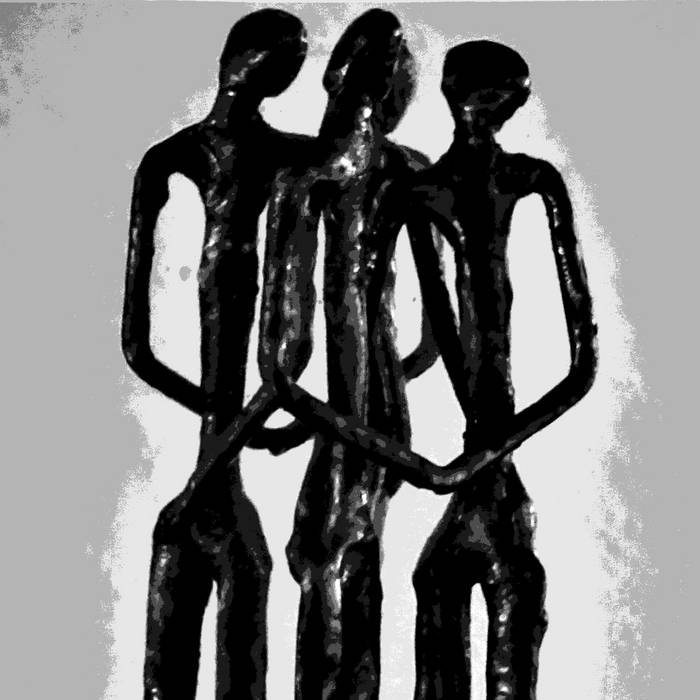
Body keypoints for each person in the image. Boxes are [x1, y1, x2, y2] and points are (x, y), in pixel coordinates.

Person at [272, 40, 598, 699]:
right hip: (440, 461)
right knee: (409, 581)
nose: (489, 110)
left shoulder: (525, 181)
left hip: (472, 467)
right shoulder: (410, 192)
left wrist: (472, 461)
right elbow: (417, 330)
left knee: (480, 585)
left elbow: (579, 365)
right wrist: (431, 460)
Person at [121, 9, 311, 698]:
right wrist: (238, 423)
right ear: (237, 58)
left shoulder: (295, 160)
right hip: (220, 462)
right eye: (274, 54)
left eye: (291, 59)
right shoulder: (171, 160)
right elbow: (137, 347)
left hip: (225, 462)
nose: (281, 67)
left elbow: (294, 341)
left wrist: (263, 415)